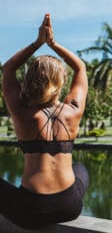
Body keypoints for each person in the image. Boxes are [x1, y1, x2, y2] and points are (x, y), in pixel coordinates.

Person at [1, 13, 89, 229]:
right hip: (70, 206)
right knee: (81, 169)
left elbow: (8, 68)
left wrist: (37, 43)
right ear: (60, 83)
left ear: (30, 80)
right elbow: (80, 68)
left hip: (30, 210)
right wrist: (53, 44)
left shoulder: (21, 112)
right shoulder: (72, 110)